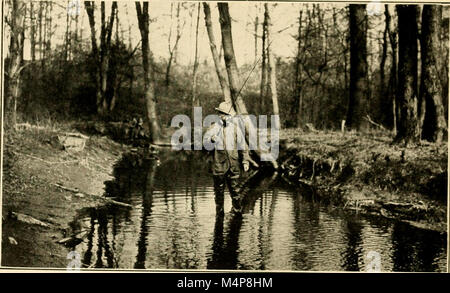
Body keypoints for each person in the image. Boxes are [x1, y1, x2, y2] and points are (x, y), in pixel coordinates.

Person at [205, 101, 257, 216]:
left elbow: (243, 146)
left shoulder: (235, 129)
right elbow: (205, 145)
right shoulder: (213, 127)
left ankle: (237, 214)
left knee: (235, 191)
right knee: (218, 192)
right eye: (221, 114)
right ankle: (219, 216)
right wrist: (211, 140)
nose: (222, 117)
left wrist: (245, 161)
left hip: (234, 166)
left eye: (225, 115)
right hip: (218, 166)